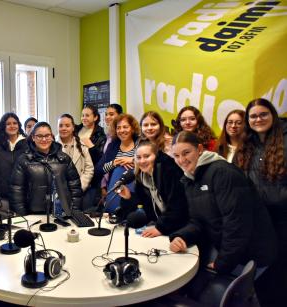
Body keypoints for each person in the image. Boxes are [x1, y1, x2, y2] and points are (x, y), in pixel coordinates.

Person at [169, 131, 276, 296]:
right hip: (233, 251)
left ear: (199, 149)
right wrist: (182, 236)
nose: (181, 160)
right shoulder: (190, 178)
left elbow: (237, 224)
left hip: (252, 254)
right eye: (176, 155)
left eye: (186, 153)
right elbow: (198, 220)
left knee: (212, 295)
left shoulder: (222, 172)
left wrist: (223, 263)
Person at [235, 98, 287, 306]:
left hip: (283, 219)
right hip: (258, 221)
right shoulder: (246, 144)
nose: (258, 119)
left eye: (263, 114)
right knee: (264, 274)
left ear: (272, 115)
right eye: (253, 116)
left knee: (281, 273)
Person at [9, 122, 82, 216]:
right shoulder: (23, 160)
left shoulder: (64, 159)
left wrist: (74, 212)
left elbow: (75, 187)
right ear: (33, 137)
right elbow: (16, 191)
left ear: (52, 136)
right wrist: (23, 216)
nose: (44, 139)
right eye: (39, 136)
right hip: (33, 215)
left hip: (62, 214)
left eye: (47, 135)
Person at [118, 139, 188, 237]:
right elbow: (143, 206)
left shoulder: (168, 170)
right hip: (162, 223)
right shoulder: (142, 175)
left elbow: (178, 206)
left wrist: (160, 228)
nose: (142, 161)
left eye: (147, 156)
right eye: (138, 157)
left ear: (156, 156)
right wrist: (129, 197)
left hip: (181, 225)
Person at [95, 114, 139, 212]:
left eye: (125, 127)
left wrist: (133, 160)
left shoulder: (140, 143)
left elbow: (150, 164)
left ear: (132, 128)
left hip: (137, 189)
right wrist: (114, 163)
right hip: (115, 189)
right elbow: (99, 169)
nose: (122, 130)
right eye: (118, 128)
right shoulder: (113, 145)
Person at [75, 104, 106, 210]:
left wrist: (91, 146)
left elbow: (101, 159)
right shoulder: (75, 130)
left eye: (87, 115)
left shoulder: (101, 136)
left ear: (95, 117)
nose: (84, 118)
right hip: (74, 173)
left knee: (86, 208)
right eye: (82, 115)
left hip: (91, 178)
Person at [57, 114, 94, 193]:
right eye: (60, 126)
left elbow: (89, 168)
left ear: (73, 127)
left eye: (67, 126)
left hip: (79, 190)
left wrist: (78, 187)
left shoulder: (82, 145)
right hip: (59, 192)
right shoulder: (52, 145)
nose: (63, 128)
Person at [101, 104, 123, 197]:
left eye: (111, 114)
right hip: (107, 181)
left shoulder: (122, 138)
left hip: (120, 180)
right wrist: (103, 185)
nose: (107, 117)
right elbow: (103, 164)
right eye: (106, 114)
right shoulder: (107, 137)